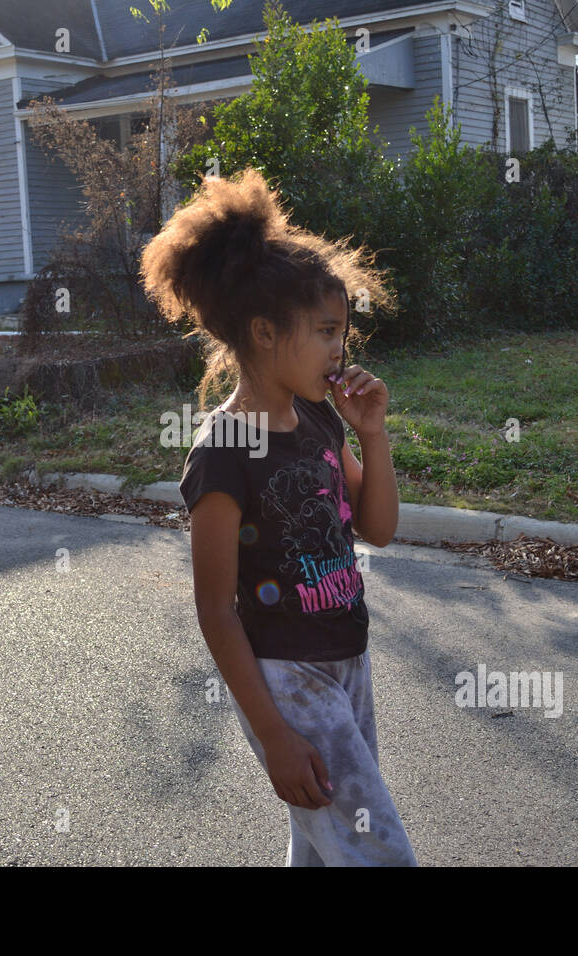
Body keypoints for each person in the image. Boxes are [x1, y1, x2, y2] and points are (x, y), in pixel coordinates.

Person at [140, 167, 417, 866]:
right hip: (288, 678)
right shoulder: (223, 453)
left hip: (347, 658)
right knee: (376, 850)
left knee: (326, 848)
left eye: (343, 332)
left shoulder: (320, 418)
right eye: (325, 331)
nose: (339, 349)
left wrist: (373, 435)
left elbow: (377, 528)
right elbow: (215, 609)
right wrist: (273, 735)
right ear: (264, 333)